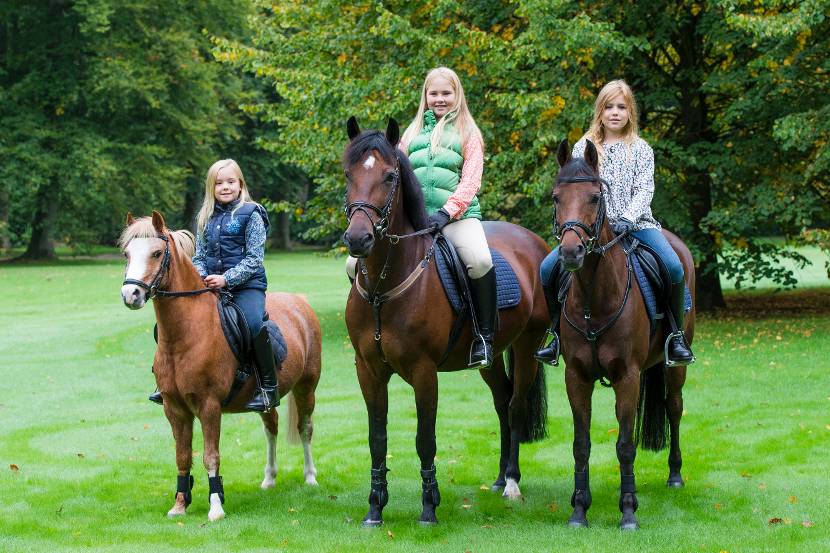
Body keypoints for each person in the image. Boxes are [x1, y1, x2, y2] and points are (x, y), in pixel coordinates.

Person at [536, 79, 695, 366]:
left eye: (621, 107)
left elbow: (644, 189)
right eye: (609, 107)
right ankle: (555, 334)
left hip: (637, 225)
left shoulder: (641, 149)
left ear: (630, 112)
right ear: (600, 111)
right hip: (589, 232)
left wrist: (627, 218)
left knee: (672, 265)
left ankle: (675, 337)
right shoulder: (582, 148)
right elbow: (574, 191)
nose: (615, 113)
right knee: (547, 269)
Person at [346, 67, 497, 368]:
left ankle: (484, 337)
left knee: (479, 260)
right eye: (434, 93)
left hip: (458, 219)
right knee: (352, 263)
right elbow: (392, 178)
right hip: (414, 223)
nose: (439, 99)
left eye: (446, 93)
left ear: (457, 96)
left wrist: (446, 212)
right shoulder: (410, 135)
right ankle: (375, 330)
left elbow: (471, 182)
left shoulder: (469, 133)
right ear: (425, 96)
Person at [149, 159, 278, 411]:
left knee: (253, 324)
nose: (225, 187)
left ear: (240, 184)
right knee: (165, 324)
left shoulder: (252, 213)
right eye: (219, 183)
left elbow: (254, 259)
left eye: (231, 182)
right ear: (211, 187)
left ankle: (268, 388)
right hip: (210, 286)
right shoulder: (205, 216)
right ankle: (163, 382)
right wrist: (202, 275)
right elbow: (199, 255)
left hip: (246, 286)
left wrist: (226, 278)